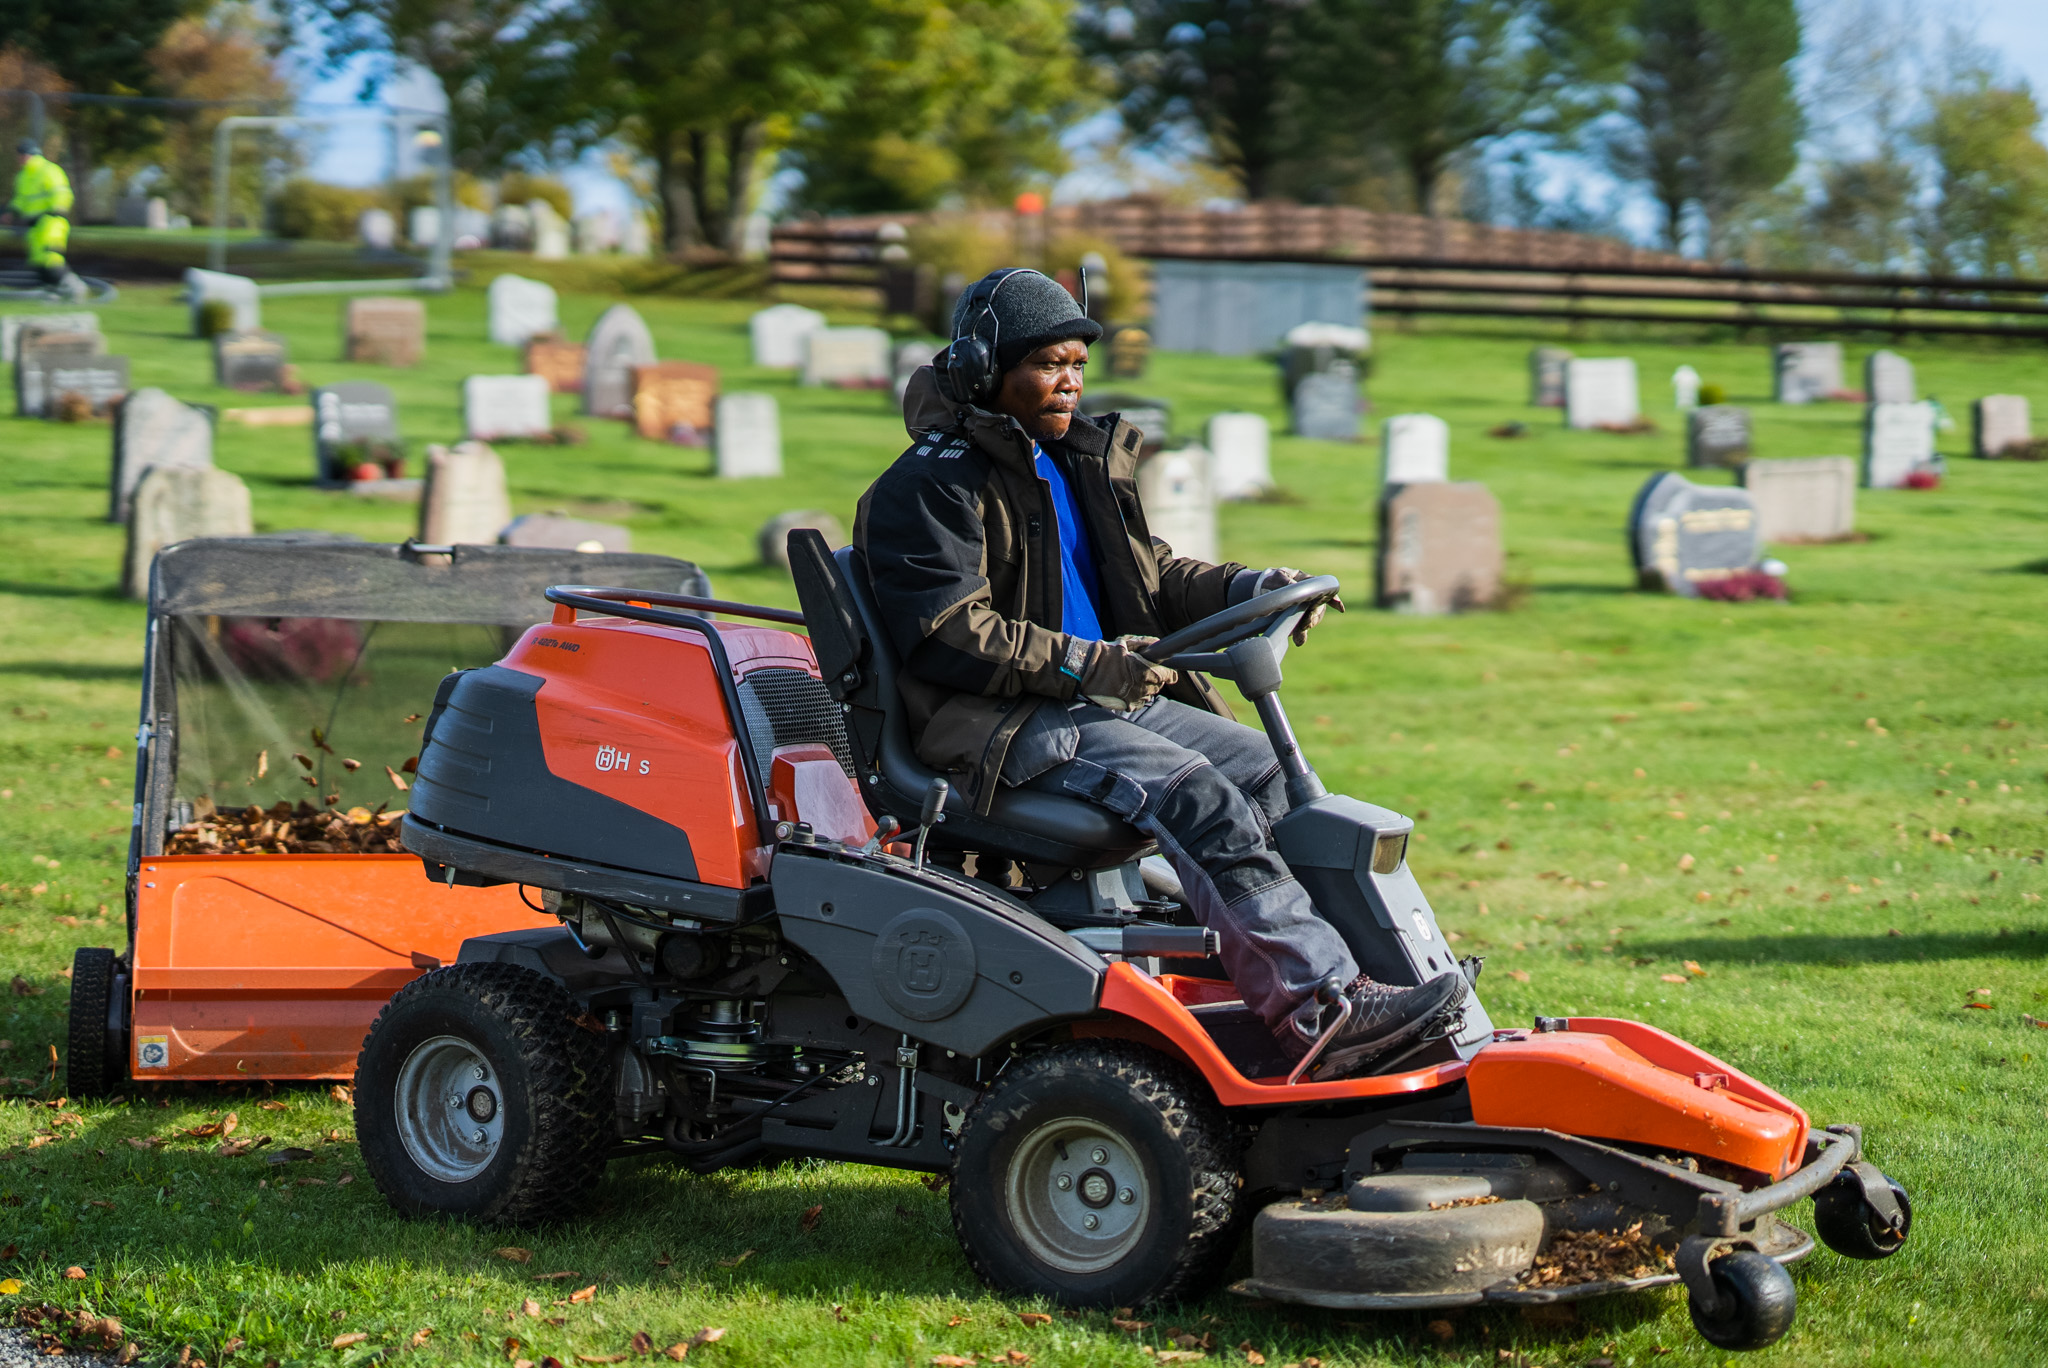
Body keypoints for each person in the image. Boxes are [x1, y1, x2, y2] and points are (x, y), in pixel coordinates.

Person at [855, 267, 1468, 1078]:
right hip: (1000, 726)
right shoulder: (931, 486)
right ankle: (1319, 1014)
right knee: (1197, 793)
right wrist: (1088, 664)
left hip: (1098, 701)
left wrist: (1253, 586)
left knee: (1270, 776)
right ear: (981, 366)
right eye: (1047, 363)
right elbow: (948, 634)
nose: (1068, 381)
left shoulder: (1069, 462)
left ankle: (1376, 988)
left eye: (1076, 362)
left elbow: (1151, 576)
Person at [6, 138, 75, 291]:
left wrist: (57, 210)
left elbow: (61, 192)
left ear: (28, 155)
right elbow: (20, 199)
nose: (19, 159)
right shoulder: (23, 176)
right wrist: (12, 212)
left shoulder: (48, 170)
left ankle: (75, 288)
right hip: (35, 227)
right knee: (38, 262)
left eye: (21, 155)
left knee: (51, 258)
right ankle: (53, 293)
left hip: (51, 222)